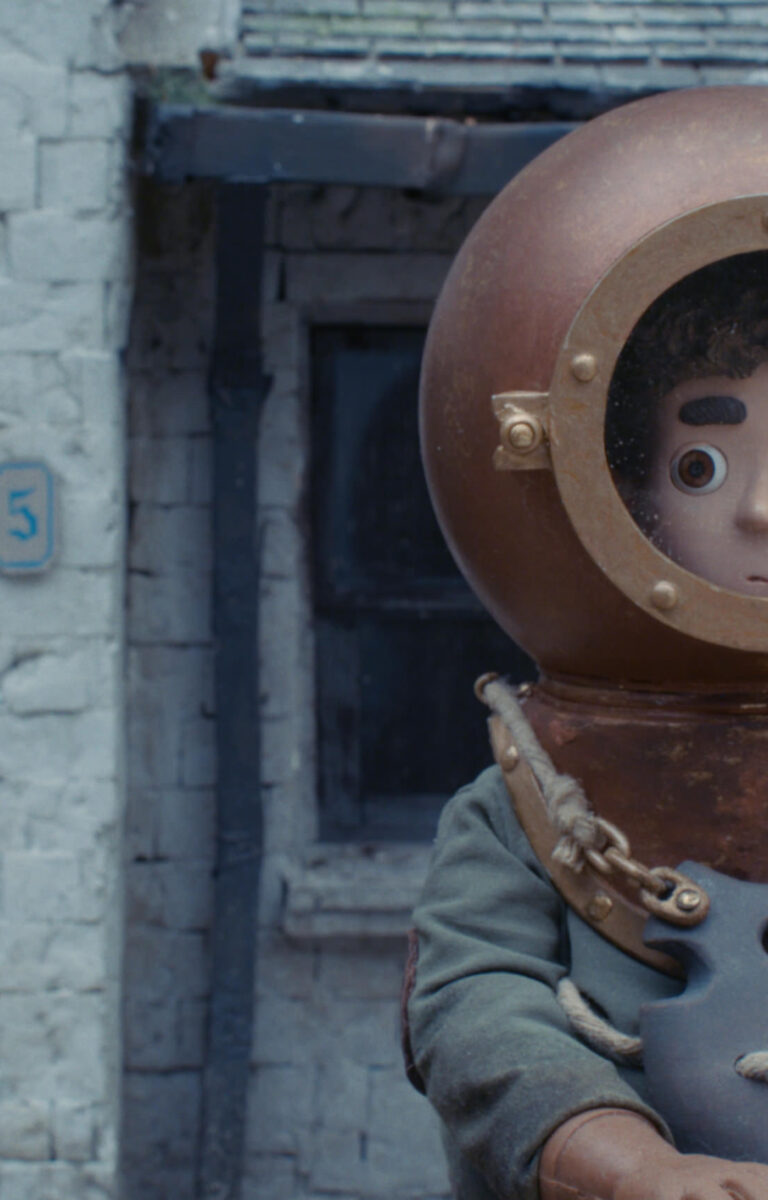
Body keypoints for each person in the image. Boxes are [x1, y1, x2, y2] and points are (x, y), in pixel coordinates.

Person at [406, 88, 768, 1200]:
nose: (762, 512)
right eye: (702, 468)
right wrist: (626, 1169)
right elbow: (479, 1013)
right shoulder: (527, 810)